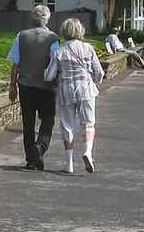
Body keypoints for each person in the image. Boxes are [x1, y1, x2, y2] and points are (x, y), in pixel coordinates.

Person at [45, 17, 105, 175]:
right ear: (80, 31)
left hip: (66, 91)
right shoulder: (88, 48)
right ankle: (88, 151)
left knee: (67, 126)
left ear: (64, 32)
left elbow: (49, 76)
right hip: (86, 90)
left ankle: (69, 163)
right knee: (88, 124)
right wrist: (96, 82)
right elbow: (99, 72)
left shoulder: (59, 51)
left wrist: (46, 73)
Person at [6, 5, 59, 170]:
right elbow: (55, 61)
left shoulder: (21, 36)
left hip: (25, 84)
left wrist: (12, 85)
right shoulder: (52, 38)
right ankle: (40, 146)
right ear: (47, 19)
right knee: (48, 118)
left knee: (28, 122)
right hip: (46, 86)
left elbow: (16, 63)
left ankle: (30, 158)